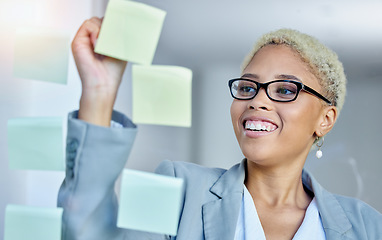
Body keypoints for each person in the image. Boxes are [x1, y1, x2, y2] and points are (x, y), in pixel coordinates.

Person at [58, 17, 382, 240]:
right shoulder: (179, 189)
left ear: (325, 119)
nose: (258, 101)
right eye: (248, 88)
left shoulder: (365, 225)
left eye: (284, 90)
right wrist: (99, 92)